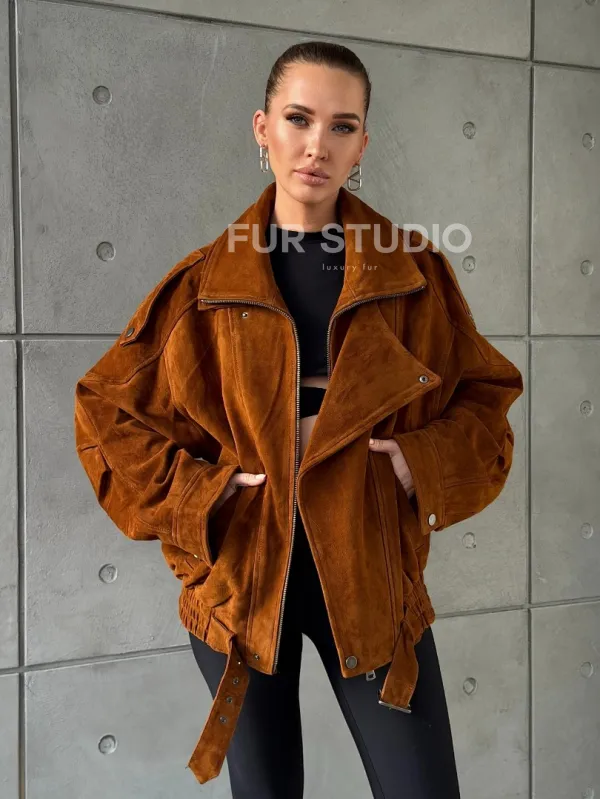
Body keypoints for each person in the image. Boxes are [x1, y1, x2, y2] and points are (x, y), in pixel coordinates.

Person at [74, 40, 523, 798]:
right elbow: (105, 411)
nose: (318, 145)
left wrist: (419, 461)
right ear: (263, 128)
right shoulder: (202, 285)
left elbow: (487, 397)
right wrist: (202, 494)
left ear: (362, 145)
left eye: (342, 126)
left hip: (373, 578)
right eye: (298, 118)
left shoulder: (414, 273)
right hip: (243, 588)